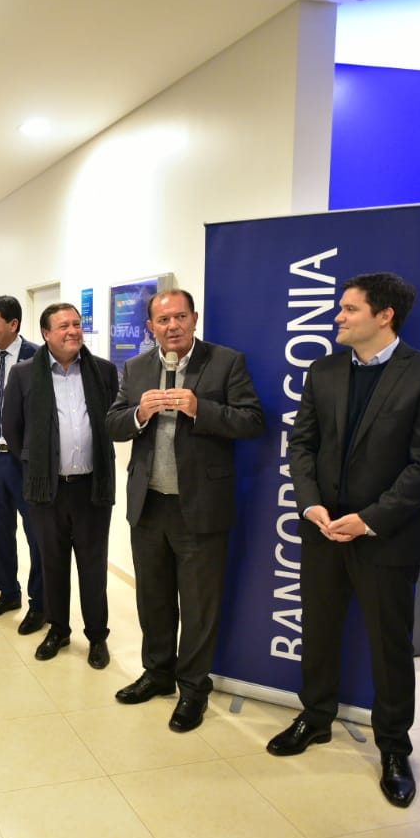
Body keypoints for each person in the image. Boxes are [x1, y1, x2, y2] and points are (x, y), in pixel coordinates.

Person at [268, 272, 420, 809]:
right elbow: (302, 444)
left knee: (389, 647)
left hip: (387, 538)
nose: (338, 317)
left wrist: (370, 519)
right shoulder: (324, 370)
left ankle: (394, 748)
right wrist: (310, 504)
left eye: (349, 309)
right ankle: (316, 717)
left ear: (384, 316)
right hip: (323, 531)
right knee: (319, 630)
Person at [106, 289, 264, 732]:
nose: (172, 326)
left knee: (198, 606)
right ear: (150, 328)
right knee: (152, 598)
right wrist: (138, 413)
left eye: (180, 317)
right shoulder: (137, 368)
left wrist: (201, 409)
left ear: (194, 319)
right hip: (149, 504)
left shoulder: (226, 362)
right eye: (163, 320)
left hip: (201, 507)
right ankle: (157, 674)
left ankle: (193, 689)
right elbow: (113, 423)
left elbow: (252, 421)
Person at [2, 304, 118, 669]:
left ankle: (97, 636)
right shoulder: (23, 374)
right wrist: (40, 464)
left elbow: (113, 421)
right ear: (46, 334)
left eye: (77, 324)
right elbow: (12, 429)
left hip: (92, 488)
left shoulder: (103, 371)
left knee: (93, 567)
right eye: (64, 325)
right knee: (52, 563)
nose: (73, 331)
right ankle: (58, 629)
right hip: (46, 490)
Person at [0, 295, 44, 634]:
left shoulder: (38, 357)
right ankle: (8, 593)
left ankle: (39, 603)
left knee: (36, 536)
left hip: (25, 462)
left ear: (13, 324)